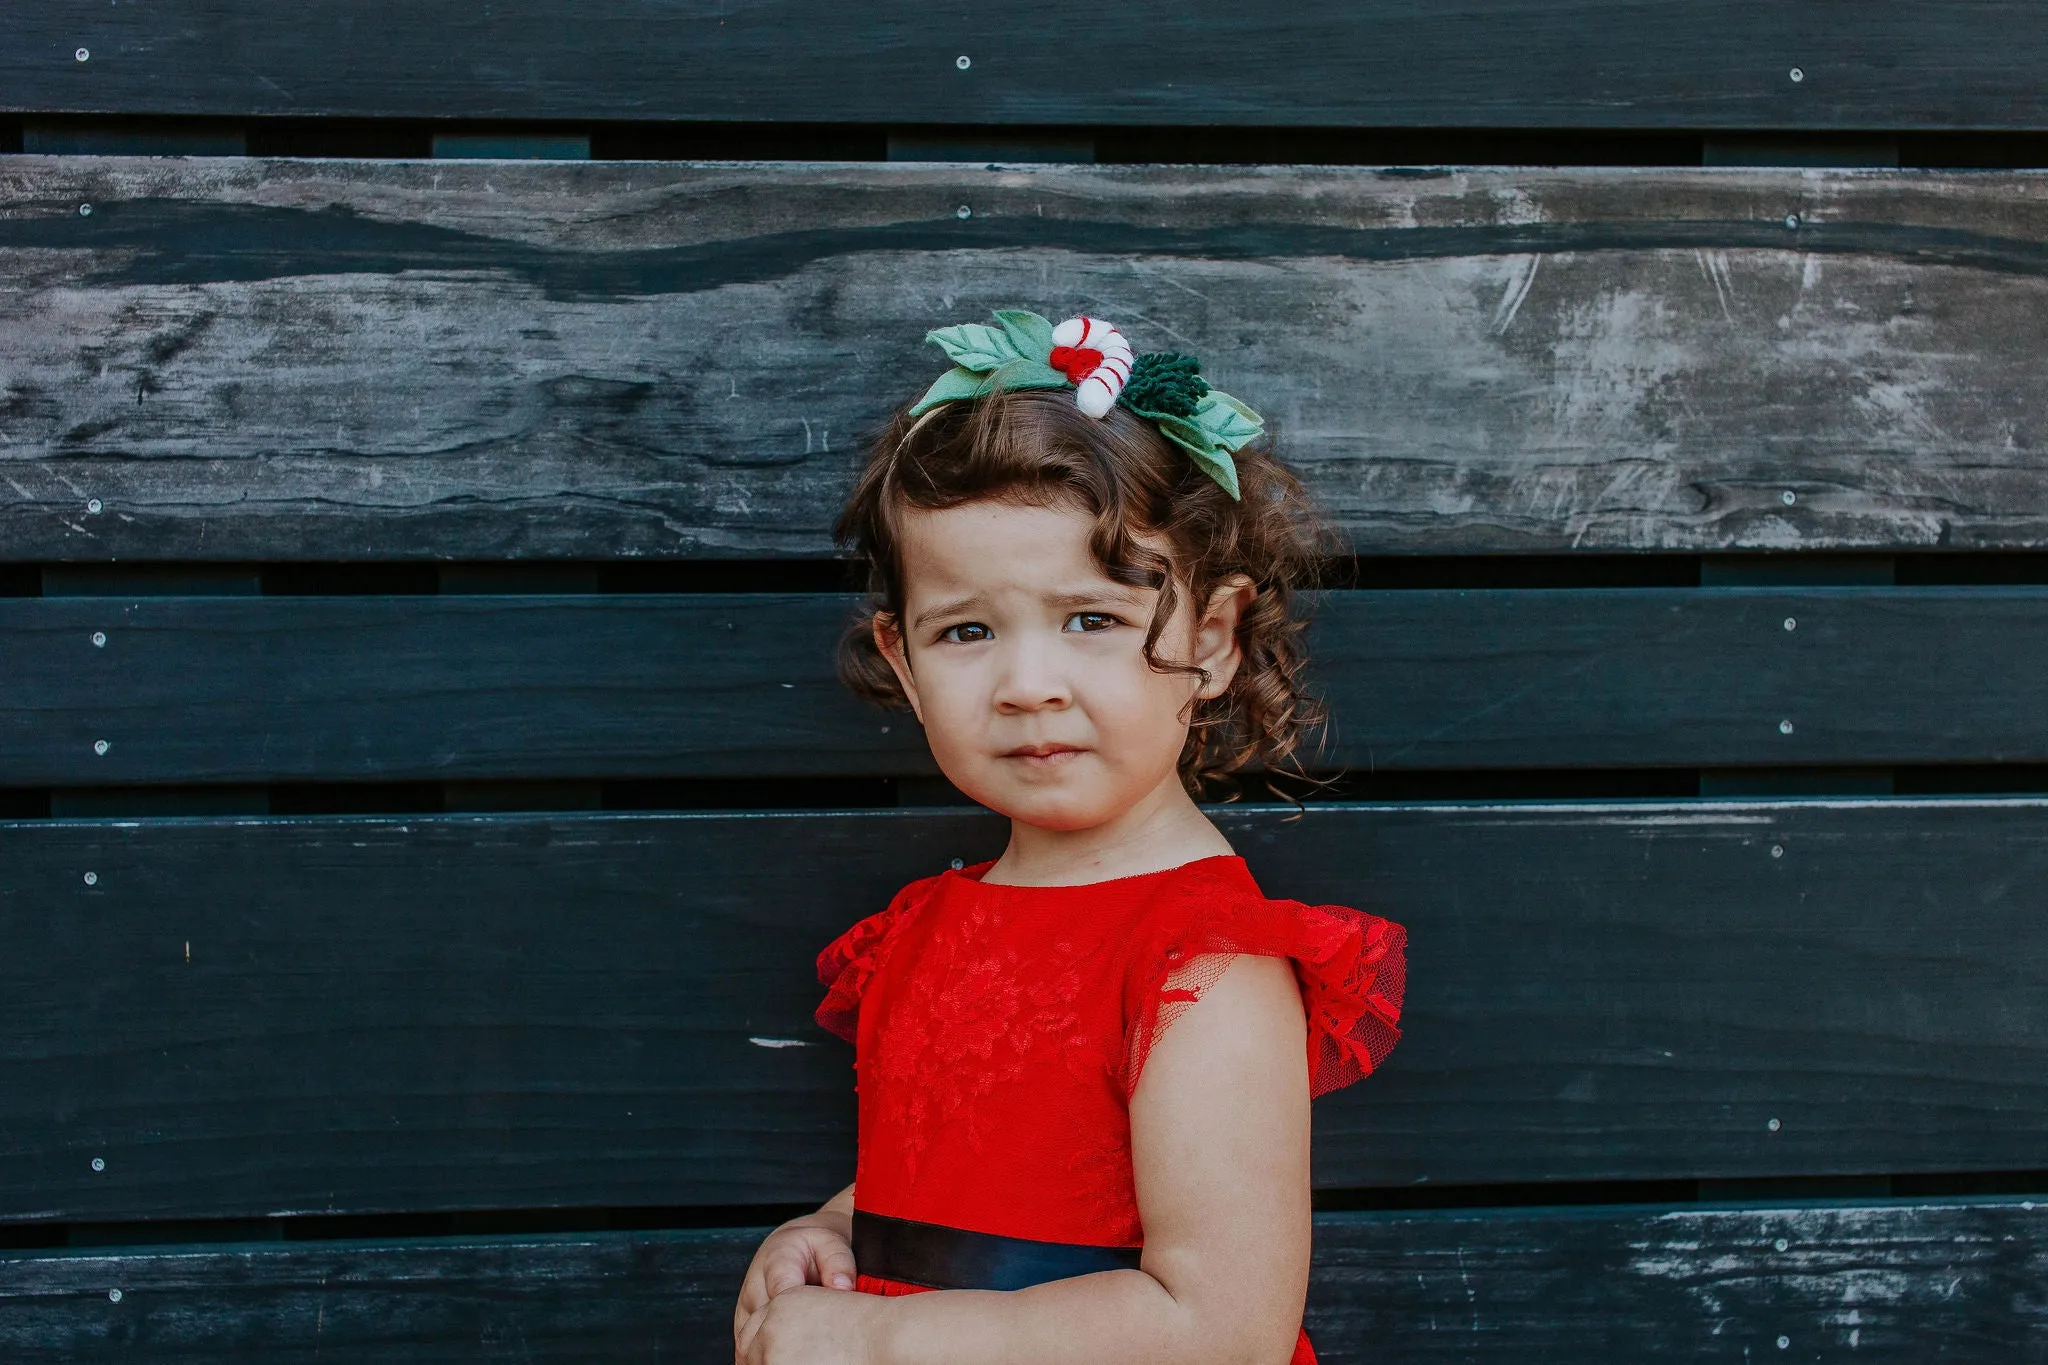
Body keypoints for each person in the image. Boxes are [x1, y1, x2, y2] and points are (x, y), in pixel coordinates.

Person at [733, 309, 1408, 1365]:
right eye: (965, 630)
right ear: (902, 663)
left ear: (1213, 640)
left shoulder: (1206, 963)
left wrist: (879, 1345)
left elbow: (1222, 1325)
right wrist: (827, 1231)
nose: (1027, 686)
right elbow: (977, 1179)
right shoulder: (927, 922)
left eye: (1090, 620)